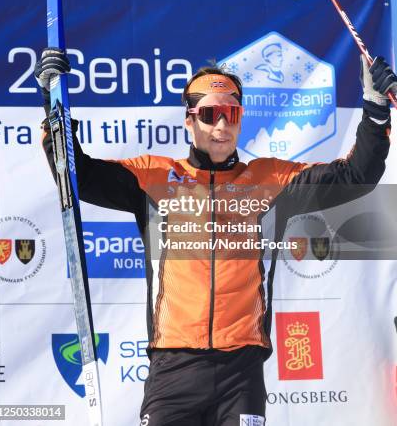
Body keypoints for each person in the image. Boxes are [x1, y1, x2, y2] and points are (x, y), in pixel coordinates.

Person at [35, 48, 396, 426]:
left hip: (241, 373)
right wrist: (53, 105)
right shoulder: (153, 177)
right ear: (189, 121)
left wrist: (373, 108)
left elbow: (355, 177)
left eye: (232, 114)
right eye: (209, 115)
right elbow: (78, 177)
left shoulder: (269, 181)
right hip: (173, 368)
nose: (222, 125)